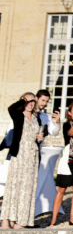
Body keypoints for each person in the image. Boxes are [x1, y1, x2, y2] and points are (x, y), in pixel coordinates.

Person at [1, 93, 43, 229]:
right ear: (23, 102)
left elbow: (35, 137)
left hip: (32, 156)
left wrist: (39, 139)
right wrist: (23, 101)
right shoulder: (18, 115)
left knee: (28, 188)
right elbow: (11, 109)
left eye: (33, 101)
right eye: (28, 101)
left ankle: (21, 222)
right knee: (13, 187)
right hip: (19, 155)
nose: (30, 103)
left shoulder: (37, 119)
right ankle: (5, 221)